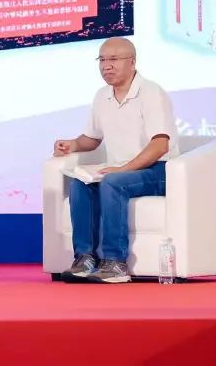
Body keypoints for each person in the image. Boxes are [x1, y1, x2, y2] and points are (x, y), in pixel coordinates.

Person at [52, 37, 180, 283]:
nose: (106, 66)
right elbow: (92, 138)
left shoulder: (151, 92)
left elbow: (160, 144)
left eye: (113, 59)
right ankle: (85, 258)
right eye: (102, 60)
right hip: (122, 171)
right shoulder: (102, 96)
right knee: (80, 183)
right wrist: (72, 144)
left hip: (160, 170)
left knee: (113, 182)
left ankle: (115, 262)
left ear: (132, 62)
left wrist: (123, 169)